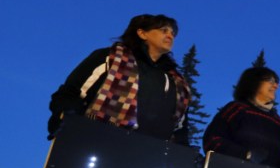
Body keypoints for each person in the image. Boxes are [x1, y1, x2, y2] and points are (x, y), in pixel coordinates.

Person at [48, 14, 190, 144]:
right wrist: (66, 118)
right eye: (163, 30)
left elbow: (180, 125)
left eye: (173, 33)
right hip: (97, 142)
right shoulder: (110, 58)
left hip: (149, 157)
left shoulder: (175, 81)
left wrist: (183, 154)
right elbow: (70, 93)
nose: (170, 36)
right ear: (142, 33)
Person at [203, 67, 280, 168]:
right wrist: (246, 154)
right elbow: (212, 140)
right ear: (253, 82)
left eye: (276, 82)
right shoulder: (236, 109)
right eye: (270, 81)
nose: (276, 86)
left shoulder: (277, 121)